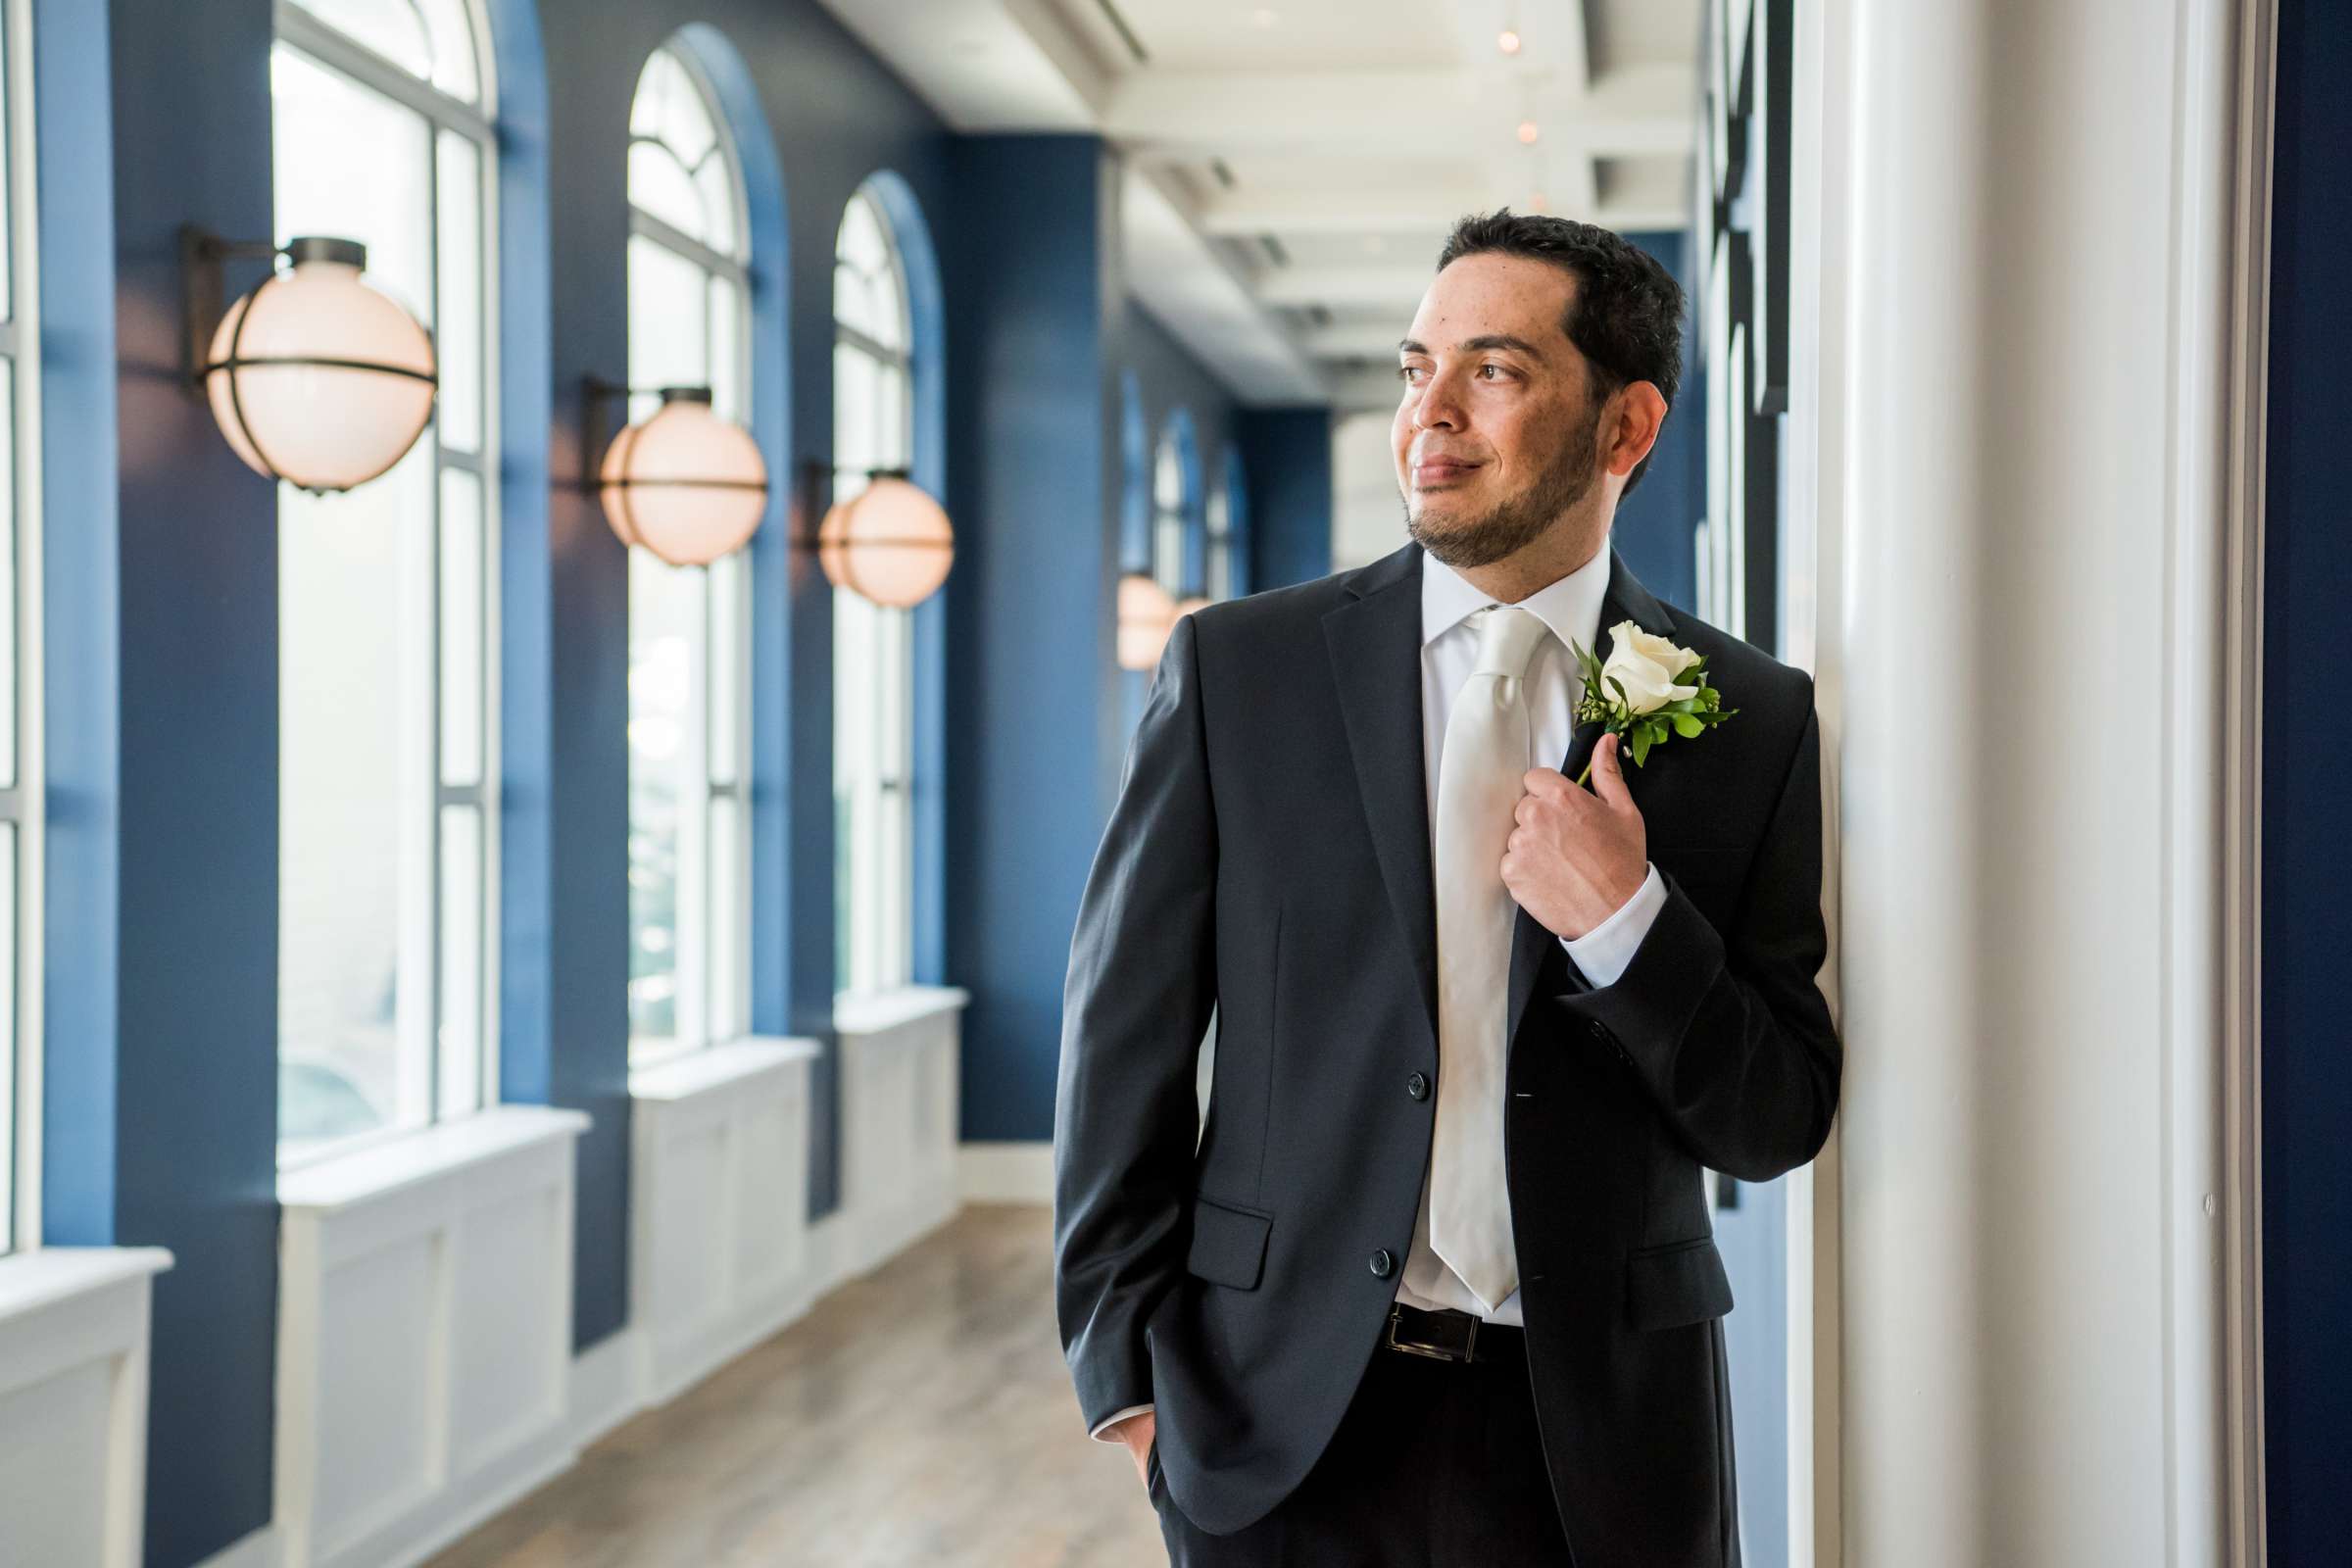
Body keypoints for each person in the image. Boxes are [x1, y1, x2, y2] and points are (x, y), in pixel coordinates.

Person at [1053, 209, 1841, 1566]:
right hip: (1275, 1420)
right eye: (1420, 367)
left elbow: (1773, 1117)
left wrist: (1627, 926)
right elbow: (1121, 1039)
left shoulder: (1748, 720)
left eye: (1496, 369)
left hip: (1599, 1448)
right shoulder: (1244, 674)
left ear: (1626, 428)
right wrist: (1128, 1375)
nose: (1432, 412)